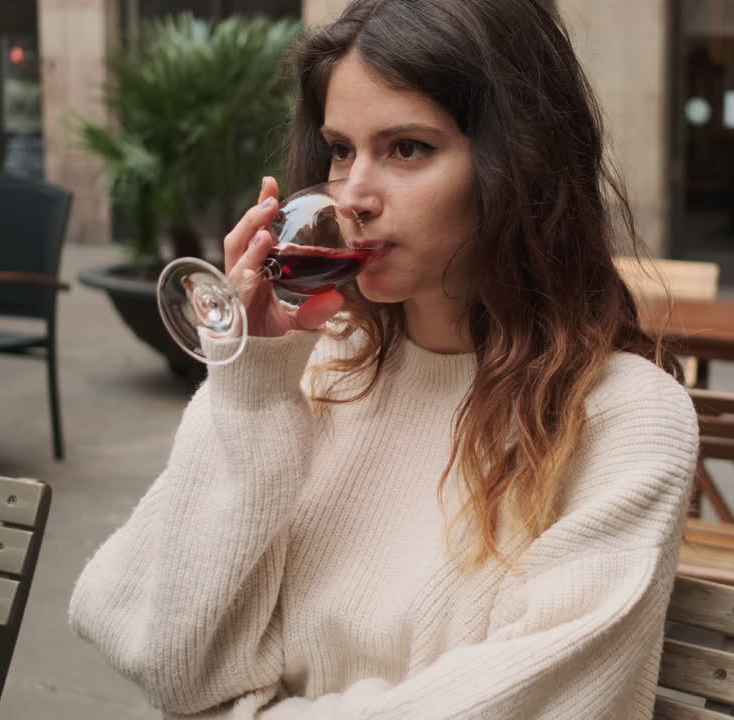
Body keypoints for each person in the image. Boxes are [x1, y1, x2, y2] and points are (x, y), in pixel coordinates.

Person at [69, 0, 699, 717]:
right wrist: (249, 387)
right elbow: (172, 659)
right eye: (341, 149)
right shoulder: (320, 368)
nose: (354, 194)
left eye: (407, 149)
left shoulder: (625, 419)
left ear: (518, 164)